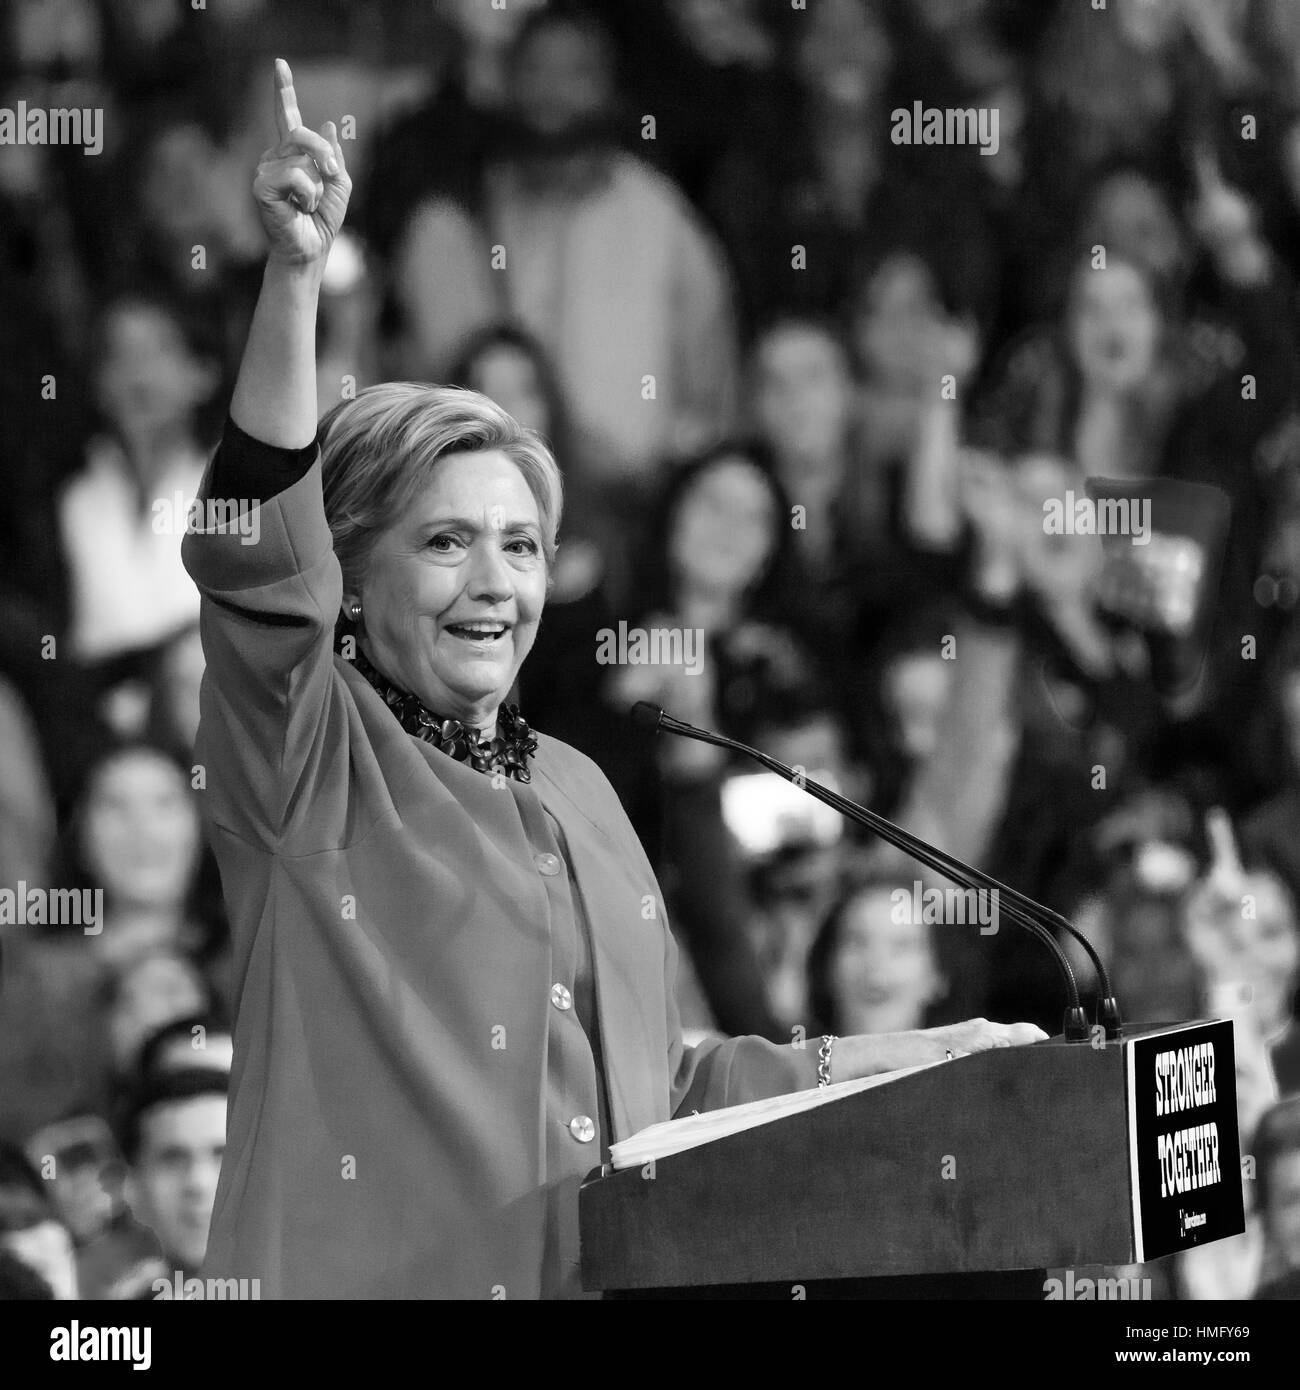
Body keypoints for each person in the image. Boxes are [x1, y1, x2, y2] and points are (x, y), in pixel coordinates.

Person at [179, 61, 1045, 1301]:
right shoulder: (306, 752)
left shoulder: (580, 790)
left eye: (521, 545)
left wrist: (936, 1057)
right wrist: (297, 280)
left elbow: (673, 1095)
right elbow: (254, 540)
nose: (496, 581)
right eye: (443, 541)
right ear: (352, 577)